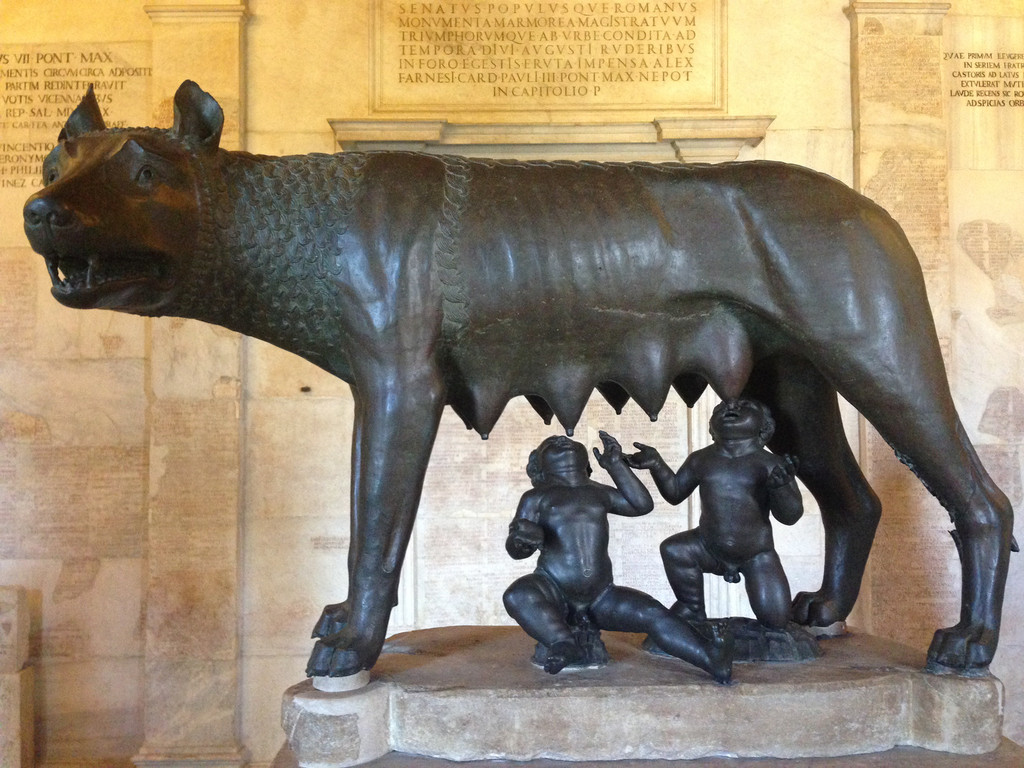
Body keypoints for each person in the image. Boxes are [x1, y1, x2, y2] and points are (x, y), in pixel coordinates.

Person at [503, 431, 732, 683]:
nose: (562, 440)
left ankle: (711, 658)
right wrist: (523, 540)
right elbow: (515, 548)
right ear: (540, 466)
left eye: (565, 440)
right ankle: (561, 641)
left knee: (652, 612)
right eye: (551, 443)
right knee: (517, 595)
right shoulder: (536, 497)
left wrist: (616, 465)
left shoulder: (598, 492)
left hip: (602, 595)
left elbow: (640, 505)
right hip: (552, 587)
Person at [627, 398, 803, 630]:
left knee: (776, 621)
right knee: (674, 549)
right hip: (706, 547)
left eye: (745, 406)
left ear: (764, 427)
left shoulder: (771, 464)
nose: (730, 407)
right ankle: (691, 607)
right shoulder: (701, 459)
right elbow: (675, 493)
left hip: (756, 554)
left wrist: (781, 488)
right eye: (721, 408)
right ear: (711, 427)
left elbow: (790, 517)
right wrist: (656, 464)